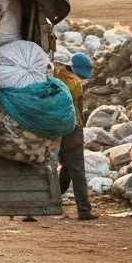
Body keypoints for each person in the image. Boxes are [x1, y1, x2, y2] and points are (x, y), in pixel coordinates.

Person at [53, 50, 98, 221]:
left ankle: (50, 200)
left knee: (63, 166)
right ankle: (84, 210)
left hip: (52, 127)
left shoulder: (57, 74)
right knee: (77, 168)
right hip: (72, 128)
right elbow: (78, 109)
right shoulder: (75, 84)